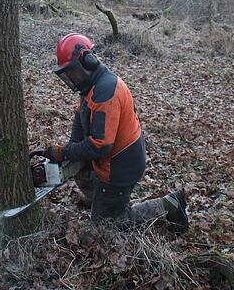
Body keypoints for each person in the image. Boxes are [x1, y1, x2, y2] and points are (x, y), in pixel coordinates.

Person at [42, 33, 188, 233]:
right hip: (109, 158)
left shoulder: (105, 91)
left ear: (88, 60)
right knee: (76, 165)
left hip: (120, 166)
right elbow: (80, 118)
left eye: (73, 72)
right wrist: (68, 149)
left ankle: (168, 204)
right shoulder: (91, 86)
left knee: (107, 226)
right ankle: (102, 200)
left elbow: (100, 144)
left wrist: (66, 152)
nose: (71, 79)